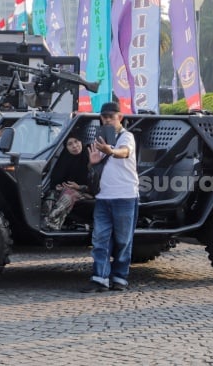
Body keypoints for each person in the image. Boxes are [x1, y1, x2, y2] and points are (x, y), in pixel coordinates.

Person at [81, 102, 139, 293]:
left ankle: (120, 278)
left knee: (123, 240)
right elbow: (97, 170)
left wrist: (110, 151)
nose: (106, 119)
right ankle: (100, 278)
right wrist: (92, 163)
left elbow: (125, 152)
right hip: (104, 197)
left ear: (119, 117)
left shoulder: (126, 136)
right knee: (100, 240)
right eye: (104, 116)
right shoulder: (100, 138)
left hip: (125, 196)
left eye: (110, 116)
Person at [42, 130, 91, 230]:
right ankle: (44, 221)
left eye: (76, 141)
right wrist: (58, 186)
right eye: (70, 144)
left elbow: (95, 184)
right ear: (66, 147)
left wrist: (78, 187)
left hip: (87, 192)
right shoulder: (65, 158)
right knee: (52, 194)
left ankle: (52, 224)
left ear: (81, 141)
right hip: (67, 190)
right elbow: (57, 179)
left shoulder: (90, 156)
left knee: (68, 194)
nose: (74, 146)